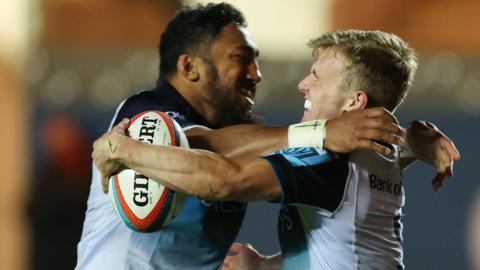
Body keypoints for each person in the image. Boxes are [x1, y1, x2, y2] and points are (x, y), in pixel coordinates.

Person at [75, 4, 408, 270]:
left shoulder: (329, 155)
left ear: (355, 101)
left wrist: (116, 148)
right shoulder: (146, 113)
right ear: (190, 67)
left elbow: (224, 179)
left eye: (255, 61)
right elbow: (198, 145)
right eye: (241, 59)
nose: (256, 74)